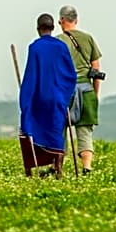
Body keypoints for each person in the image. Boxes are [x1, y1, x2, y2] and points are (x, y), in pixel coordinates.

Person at [19, 14, 78, 178]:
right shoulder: (61, 47)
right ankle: (58, 167)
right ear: (53, 28)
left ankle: (32, 167)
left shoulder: (35, 47)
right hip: (58, 97)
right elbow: (71, 75)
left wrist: (26, 97)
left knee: (35, 127)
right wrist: (64, 93)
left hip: (39, 98)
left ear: (38, 29)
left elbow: (31, 74)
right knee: (55, 130)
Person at [57, 5, 103, 174]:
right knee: (85, 131)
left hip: (65, 90)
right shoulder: (88, 38)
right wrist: (95, 93)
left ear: (61, 20)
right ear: (76, 20)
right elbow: (96, 69)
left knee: (59, 129)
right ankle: (86, 167)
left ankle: (58, 167)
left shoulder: (59, 40)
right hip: (86, 89)